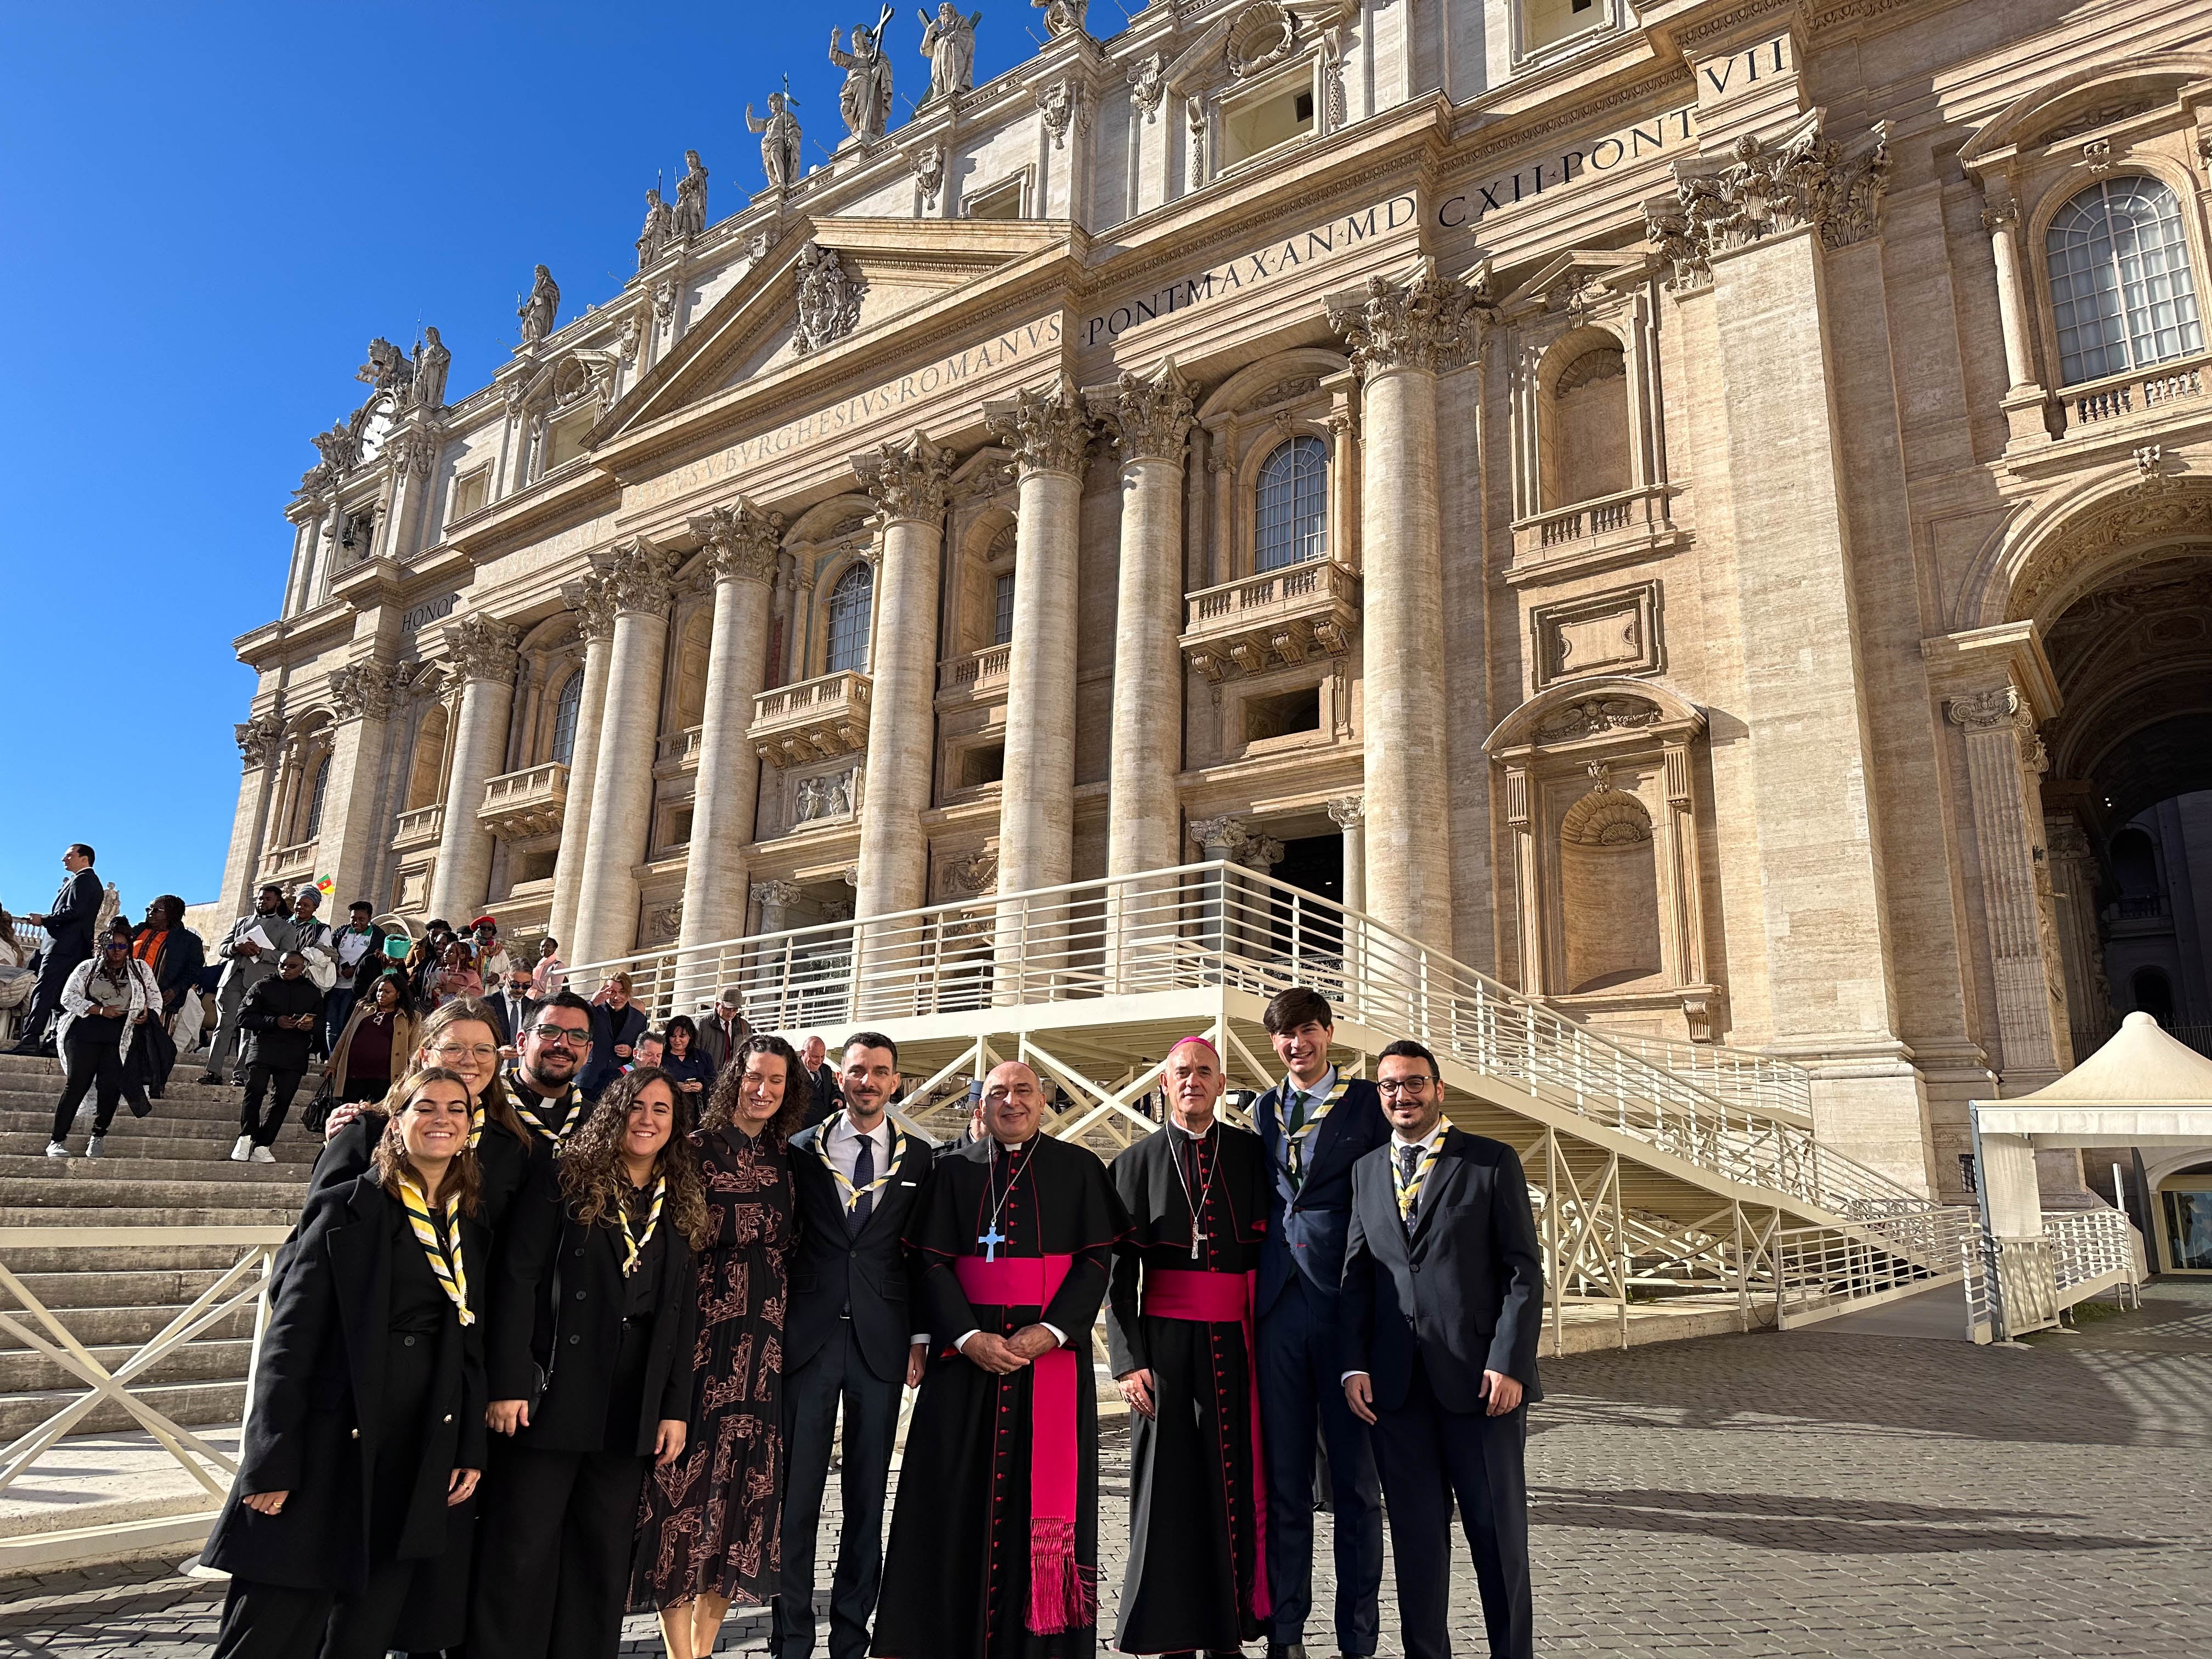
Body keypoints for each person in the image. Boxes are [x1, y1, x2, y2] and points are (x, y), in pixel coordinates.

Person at [202, 1066, 487, 1657]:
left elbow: (466, 1346)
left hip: (411, 1450)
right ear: (396, 1121)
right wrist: (270, 1460)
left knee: (363, 1634)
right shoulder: (345, 1209)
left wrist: (465, 1448)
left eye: (456, 1110)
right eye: (425, 1107)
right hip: (328, 1446)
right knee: (271, 1631)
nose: (441, 1120)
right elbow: (288, 1342)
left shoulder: (467, 1224)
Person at [874, 1060, 1128, 1659]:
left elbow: (1097, 1259)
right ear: (978, 1106)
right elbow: (930, 1261)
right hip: (966, 1364)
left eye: (1022, 1092)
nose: (1010, 1102)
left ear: (1043, 1102)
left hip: (1050, 1362)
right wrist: (964, 1336)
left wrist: (1058, 1329)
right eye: (996, 1093)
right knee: (949, 1499)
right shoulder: (952, 1170)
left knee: (1040, 1503)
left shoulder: (1080, 1168)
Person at [473, 1069, 711, 1659]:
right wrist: (507, 1383)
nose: (648, 1119)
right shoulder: (564, 1175)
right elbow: (518, 1280)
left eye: (662, 1110)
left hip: (629, 1400)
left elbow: (680, 1314)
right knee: (522, 1550)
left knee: (601, 1558)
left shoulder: (678, 1194)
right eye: (636, 1106)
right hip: (550, 1394)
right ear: (614, 1112)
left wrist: (674, 1408)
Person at [1340, 1041, 1544, 1659]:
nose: (1403, 1096)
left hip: (1481, 1387)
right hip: (1397, 1393)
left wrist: (1508, 1362)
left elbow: (1523, 1272)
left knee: (1496, 1537)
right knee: (1417, 1543)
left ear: (1439, 1089)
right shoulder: (1367, 1170)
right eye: (1390, 1087)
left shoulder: (1489, 1162)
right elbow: (1358, 1277)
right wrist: (1353, 1363)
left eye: (1414, 1083)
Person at [633, 1034, 802, 1659]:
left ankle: (703, 1647)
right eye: (755, 1077)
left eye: (777, 1082)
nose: (764, 1090)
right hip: (701, 1342)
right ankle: (679, 1650)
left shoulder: (785, 1158)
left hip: (764, 1349)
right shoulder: (693, 1150)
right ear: (735, 1077)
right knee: (680, 1497)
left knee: (741, 1500)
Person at [1105, 1037, 1273, 1658]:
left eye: (1204, 1071)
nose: (1193, 1081)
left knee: (1230, 1483)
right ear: (1164, 1083)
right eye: (1182, 1072)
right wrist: (1127, 1362)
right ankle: (1172, 1633)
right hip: (1165, 1349)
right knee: (1167, 1490)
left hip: (1238, 1342)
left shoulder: (1251, 1155)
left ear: (1221, 1082)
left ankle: (1228, 1628)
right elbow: (1118, 1280)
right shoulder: (1134, 1162)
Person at [775, 1032, 934, 1659]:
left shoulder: (920, 1158)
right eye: (857, 1071)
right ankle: (790, 1639)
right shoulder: (799, 1151)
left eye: (880, 1073)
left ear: (895, 1082)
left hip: (881, 1342)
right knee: (797, 1501)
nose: (867, 1082)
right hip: (808, 1339)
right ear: (839, 1078)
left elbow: (921, 1254)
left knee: (867, 1500)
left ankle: (850, 1637)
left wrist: (920, 1336)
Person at [1250, 987, 1389, 1659]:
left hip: (1346, 1308)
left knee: (1358, 1487)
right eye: (1283, 1035)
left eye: (1306, 1031)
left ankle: (1358, 1638)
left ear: (1329, 1034)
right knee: (1285, 1483)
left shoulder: (1368, 1103)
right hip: (1278, 1308)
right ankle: (1286, 1632)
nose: (1296, 1044)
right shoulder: (1260, 1109)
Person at [46, 925, 157, 1159]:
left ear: (129, 947)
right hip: (84, 1032)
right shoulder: (88, 967)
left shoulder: (140, 969)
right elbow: (68, 997)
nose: (116, 951)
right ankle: (57, 1140)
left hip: (120, 1037)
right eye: (111, 945)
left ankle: (98, 1136)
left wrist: (148, 1013)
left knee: (111, 1087)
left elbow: (154, 998)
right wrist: (97, 1009)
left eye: (121, 946)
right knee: (77, 1083)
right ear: (102, 946)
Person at [232, 950, 326, 1163]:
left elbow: (322, 1023)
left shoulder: (312, 992)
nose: (286, 969)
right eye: (283, 965)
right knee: (255, 1090)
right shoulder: (262, 986)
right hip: (264, 1047)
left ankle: (264, 1144)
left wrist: (310, 1026)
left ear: (303, 968)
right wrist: (274, 1021)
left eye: (293, 966)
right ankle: (246, 1137)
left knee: (283, 1099)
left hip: (294, 1052)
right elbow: (242, 1016)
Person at [203, 885, 301, 1086]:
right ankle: (213, 1071)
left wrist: (260, 951)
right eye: (260, 898)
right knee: (224, 1026)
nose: (262, 902)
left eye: (268, 899)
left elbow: (287, 955)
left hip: (259, 985)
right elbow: (222, 948)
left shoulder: (286, 928)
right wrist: (236, 947)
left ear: (278, 902)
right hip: (232, 980)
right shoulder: (241, 922)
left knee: (250, 1030)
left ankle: (241, 1075)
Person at [11, 843, 103, 1056]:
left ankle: (31, 1039)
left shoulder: (84, 880)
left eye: (69, 855)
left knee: (44, 992)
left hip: (63, 947)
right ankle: (54, 1041)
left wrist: (43, 920)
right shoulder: (87, 881)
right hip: (73, 948)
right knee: (61, 997)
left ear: (84, 859)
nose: (64, 859)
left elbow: (74, 912)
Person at [132, 896, 205, 1097]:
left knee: (154, 1046)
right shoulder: (137, 931)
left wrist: (176, 990)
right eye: (149, 909)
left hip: (163, 1002)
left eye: (157, 910)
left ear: (172, 914)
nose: (150, 913)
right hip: (129, 999)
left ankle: (153, 1085)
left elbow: (193, 970)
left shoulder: (188, 941)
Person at [325, 971, 419, 1105]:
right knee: (348, 1118)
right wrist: (332, 1064)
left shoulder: (411, 1017)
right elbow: (345, 1036)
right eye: (380, 991)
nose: (382, 995)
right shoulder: (363, 1009)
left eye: (388, 992)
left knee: (376, 1120)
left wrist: (410, 1078)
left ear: (398, 994)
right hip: (353, 1075)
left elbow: (413, 1051)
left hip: (386, 1079)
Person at [326, 901, 387, 1054]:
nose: (356, 922)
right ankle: (331, 1059)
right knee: (331, 1025)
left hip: (355, 989)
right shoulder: (342, 931)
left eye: (361, 919)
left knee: (344, 1023)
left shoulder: (378, 935)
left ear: (369, 918)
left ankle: (341, 1059)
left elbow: (376, 958)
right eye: (353, 918)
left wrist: (357, 969)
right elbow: (330, 950)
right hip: (335, 985)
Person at [582, 974, 647, 1097]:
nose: (617, 997)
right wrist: (593, 1003)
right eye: (612, 992)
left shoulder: (639, 1019)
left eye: (622, 992)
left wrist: (631, 1051)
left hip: (618, 1084)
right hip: (588, 1079)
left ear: (629, 992)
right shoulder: (593, 1009)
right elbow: (576, 1024)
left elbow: (642, 1050)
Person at [695, 990, 749, 1076]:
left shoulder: (745, 1026)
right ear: (717, 1005)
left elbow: (749, 1054)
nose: (731, 1013)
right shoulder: (702, 1025)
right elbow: (694, 1054)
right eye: (727, 1009)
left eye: (735, 1010)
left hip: (733, 1079)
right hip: (708, 1079)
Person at [659, 1016, 712, 1103]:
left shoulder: (704, 1057)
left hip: (698, 1109)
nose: (677, 1040)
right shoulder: (661, 1057)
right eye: (673, 1036)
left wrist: (702, 1086)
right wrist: (674, 1085)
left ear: (690, 1036)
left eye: (682, 1036)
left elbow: (714, 1081)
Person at [489, 964, 539, 1052]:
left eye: (526, 986)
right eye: (515, 985)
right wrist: (496, 1054)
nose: (520, 990)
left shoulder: (534, 1007)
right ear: (505, 978)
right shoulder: (486, 1004)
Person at [799, 1034, 840, 1128]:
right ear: (803, 1053)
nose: (819, 1061)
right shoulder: (791, 1071)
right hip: (801, 1131)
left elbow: (831, 1090)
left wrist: (838, 1098)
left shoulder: (826, 1070)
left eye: (822, 1057)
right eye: (815, 1057)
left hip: (825, 1128)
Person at [431, 940, 483, 1009]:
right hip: (440, 1013)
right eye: (446, 951)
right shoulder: (439, 972)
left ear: (462, 956)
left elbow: (478, 1000)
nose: (446, 954)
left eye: (451, 952)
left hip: (462, 1015)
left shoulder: (471, 976)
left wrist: (457, 990)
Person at [472, 915, 516, 983]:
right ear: (476, 929)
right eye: (483, 928)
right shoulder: (465, 945)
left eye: (489, 928)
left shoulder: (499, 951)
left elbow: (510, 974)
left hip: (490, 991)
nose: (486, 930)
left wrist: (499, 978)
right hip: (468, 991)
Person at [530, 936, 567, 1001]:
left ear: (554, 949)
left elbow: (554, 989)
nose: (544, 948)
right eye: (542, 946)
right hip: (531, 999)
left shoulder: (558, 966)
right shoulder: (540, 965)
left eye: (548, 946)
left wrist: (532, 982)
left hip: (545, 1001)